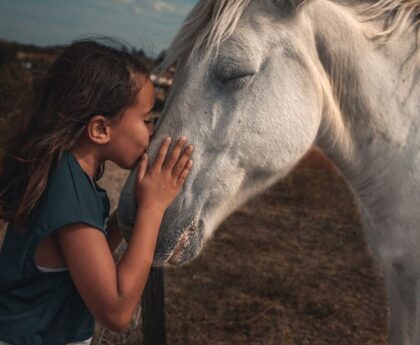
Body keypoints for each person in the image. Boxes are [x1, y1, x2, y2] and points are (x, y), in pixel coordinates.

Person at [0, 39, 193, 345]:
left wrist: (125, 216)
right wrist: (152, 209)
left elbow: (84, 257)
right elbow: (116, 311)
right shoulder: (69, 194)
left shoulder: (64, 174)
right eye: (146, 120)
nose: (153, 130)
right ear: (101, 129)